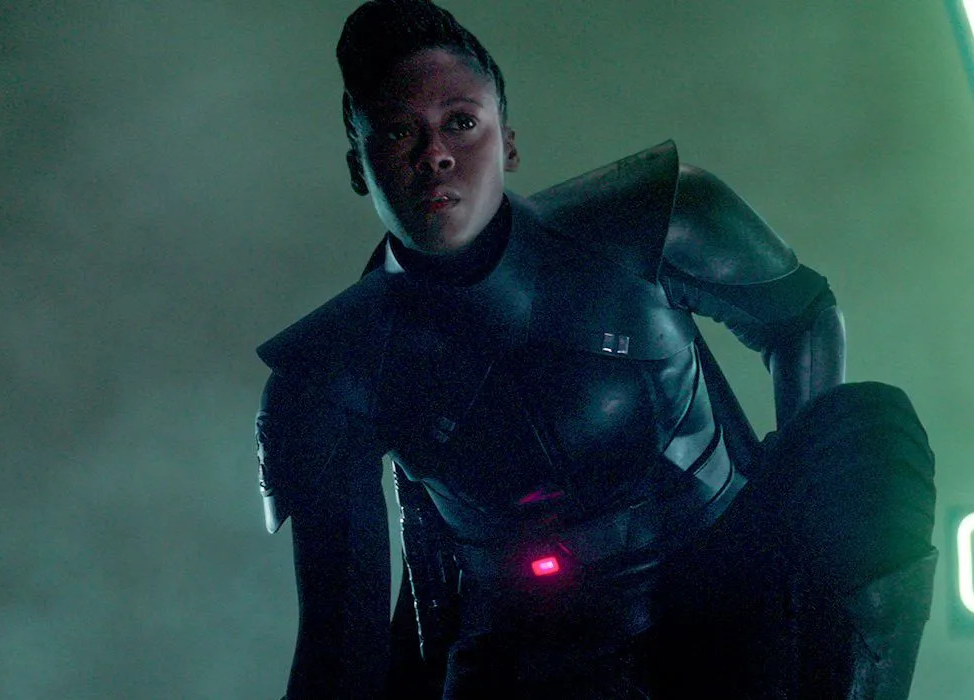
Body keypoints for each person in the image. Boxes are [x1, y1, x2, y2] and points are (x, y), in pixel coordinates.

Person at [253, 1, 937, 697]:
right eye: (401, 132)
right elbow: (341, 645)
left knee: (869, 428)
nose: (435, 155)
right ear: (360, 167)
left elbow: (802, 317)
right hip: (523, 654)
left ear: (507, 143)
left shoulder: (655, 219)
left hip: (728, 593)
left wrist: (799, 515)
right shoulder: (328, 371)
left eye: (460, 122)